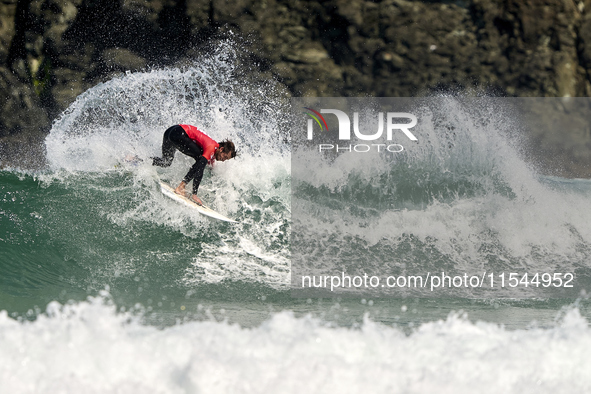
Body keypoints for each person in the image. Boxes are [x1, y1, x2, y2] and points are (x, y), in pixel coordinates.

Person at [152, 124, 237, 205]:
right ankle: (181, 187)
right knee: (200, 159)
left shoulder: (212, 149)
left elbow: (209, 164)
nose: (223, 160)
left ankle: (142, 160)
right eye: (225, 157)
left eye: (226, 159)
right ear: (221, 149)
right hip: (178, 133)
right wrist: (194, 194)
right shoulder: (211, 147)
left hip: (170, 131)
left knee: (166, 162)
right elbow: (200, 169)